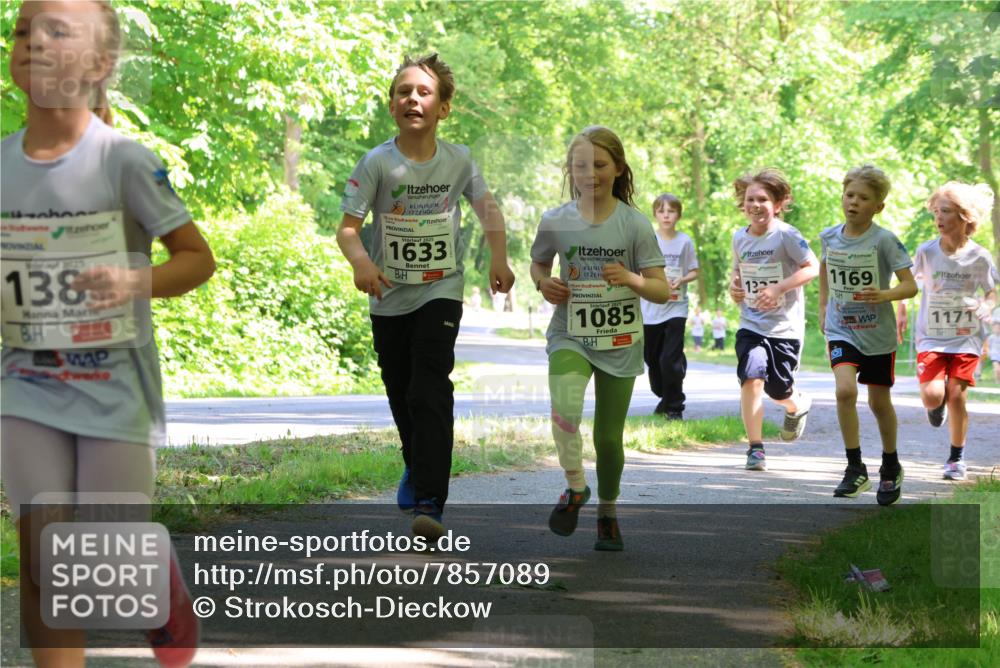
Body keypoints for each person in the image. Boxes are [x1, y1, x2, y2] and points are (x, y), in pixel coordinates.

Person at [1, 2, 215, 666]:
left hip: (115, 389)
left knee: (101, 557)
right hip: (23, 387)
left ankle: (154, 580)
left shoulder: (123, 159)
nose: (33, 40)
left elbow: (196, 257)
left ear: (99, 64)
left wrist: (133, 282)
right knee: (45, 558)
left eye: (56, 31)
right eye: (21, 30)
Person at [336, 53, 515, 540]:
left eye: (424, 92)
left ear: (443, 109)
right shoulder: (376, 163)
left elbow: (489, 211)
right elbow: (349, 229)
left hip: (441, 288)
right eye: (403, 91)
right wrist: (362, 263)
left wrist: (499, 259)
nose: (412, 98)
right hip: (388, 293)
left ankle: (431, 501)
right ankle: (415, 463)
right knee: (399, 386)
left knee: (428, 386)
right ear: (391, 105)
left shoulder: (458, 161)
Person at [530, 126, 669, 551]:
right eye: (580, 166)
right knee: (565, 409)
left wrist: (630, 278)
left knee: (608, 439)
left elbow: (662, 289)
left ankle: (608, 513)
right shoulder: (555, 220)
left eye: (599, 165)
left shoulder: (634, 224)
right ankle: (575, 488)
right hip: (570, 332)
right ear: (570, 170)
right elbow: (538, 265)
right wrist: (543, 283)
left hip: (620, 339)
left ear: (618, 168)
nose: (589, 174)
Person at [819, 165, 916, 505]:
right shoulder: (829, 237)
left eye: (863, 198)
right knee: (844, 392)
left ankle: (890, 465)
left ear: (878, 206)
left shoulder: (885, 240)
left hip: (877, 335)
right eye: (849, 195)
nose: (854, 202)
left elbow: (910, 285)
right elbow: (824, 272)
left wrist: (884, 294)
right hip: (841, 328)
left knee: (878, 402)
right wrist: (822, 309)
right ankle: (854, 467)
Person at [899, 182, 997, 481]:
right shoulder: (927, 251)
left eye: (946, 212)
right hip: (931, 335)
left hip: (966, 335)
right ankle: (934, 406)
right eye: (936, 212)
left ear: (965, 217)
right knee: (932, 395)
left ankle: (956, 457)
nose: (939, 219)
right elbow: (910, 282)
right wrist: (902, 307)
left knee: (957, 396)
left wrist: (987, 307)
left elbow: (993, 291)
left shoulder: (979, 257)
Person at [728, 168, 818, 471]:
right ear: (743, 204)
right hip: (751, 324)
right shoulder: (739, 238)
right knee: (751, 379)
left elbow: (812, 267)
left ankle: (797, 404)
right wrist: (735, 288)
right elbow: (738, 273)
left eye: (763, 199)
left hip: (784, 328)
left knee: (778, 390)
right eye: (750, 199)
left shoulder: (786, 235)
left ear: (777, 204)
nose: (755, 205)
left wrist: (779, 287)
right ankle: (755, 448)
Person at [640, 193, 699, 419]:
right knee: (653, 359)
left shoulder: (684, 241)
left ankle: (675, 407)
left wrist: (681, 280)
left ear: (678, 215)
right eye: (662, 211)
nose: (666, 215)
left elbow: (694, 270)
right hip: (650, 308)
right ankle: (665, 395)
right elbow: (638, 271)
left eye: (671, 211)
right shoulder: (648, 240)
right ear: (655, 214)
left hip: (676, 306)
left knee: (669, 359)